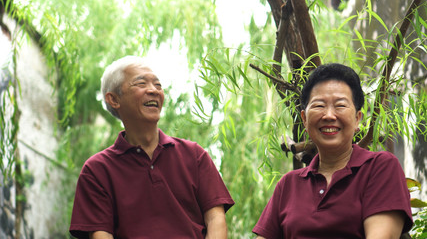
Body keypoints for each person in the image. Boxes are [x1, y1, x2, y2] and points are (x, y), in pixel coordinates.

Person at [69, 55, 235, 239]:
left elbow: (215, 218)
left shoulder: (194, 155)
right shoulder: (97, 170)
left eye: (158, 85)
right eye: (141, 84)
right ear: (114, 99)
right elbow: (101, 235)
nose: (154, 91)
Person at [252, 63, 413, 238]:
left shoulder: (379, 167)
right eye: (319, 105)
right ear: (304, 120)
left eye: (340, 105)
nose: (329, 115)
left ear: (357, 119)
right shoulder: (288, 185)